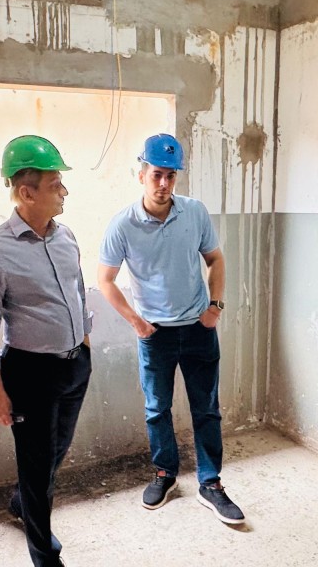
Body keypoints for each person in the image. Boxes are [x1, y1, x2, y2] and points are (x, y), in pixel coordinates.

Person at [97, 133, 244, 525]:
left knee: (206, 409)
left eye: (171, 176)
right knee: (156, 409)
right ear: (141, 174)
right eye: (157, 175)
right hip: (155, 335)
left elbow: (215, 259)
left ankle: (210, 483)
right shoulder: (123, 224)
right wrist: (136, 321)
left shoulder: (194, 212)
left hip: (198, 329)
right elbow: (105, 280)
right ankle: (165, 474)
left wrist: (214, 307)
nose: (164, 184)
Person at [0, 135, 93, 567]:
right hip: (30, 373)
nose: (64, 192)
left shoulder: (66, 237)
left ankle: (22, 502)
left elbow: (78, 292)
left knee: (57, 450)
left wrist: (84, 342)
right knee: (38, 469)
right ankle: (45, 556)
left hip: (75, 364)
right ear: (26, 192)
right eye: (56, 185)